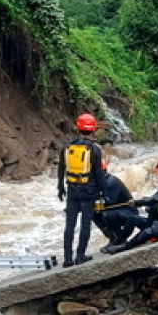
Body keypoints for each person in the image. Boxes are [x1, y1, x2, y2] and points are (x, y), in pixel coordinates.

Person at [56, 113, 107, 267]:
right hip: (88, 190)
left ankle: (67, 259)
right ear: (93, 129)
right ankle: (80, 256)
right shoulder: (94, 149)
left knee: (70, 224)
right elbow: (98, 174)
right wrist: (103, 192)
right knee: (85, 223)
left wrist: (60, 186)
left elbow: (61, 169)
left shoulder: (67, 146)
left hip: (72, 189)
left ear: (78, 127)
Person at [93, 162, 147, 251]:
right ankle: (113, 238)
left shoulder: (111, 182)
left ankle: (119, 239)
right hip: (116, 209)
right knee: (93, 214)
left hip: (127, 211)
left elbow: (109, 202)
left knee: (107, 214)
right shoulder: (98, 183)